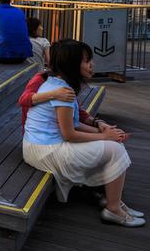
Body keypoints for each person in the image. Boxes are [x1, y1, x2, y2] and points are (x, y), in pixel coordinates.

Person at [22, 40, 142, 226]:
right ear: (71, 64)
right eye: (86, 61)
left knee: (112, 145)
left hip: (40, 146)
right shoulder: (63, 92)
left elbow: (74, 123)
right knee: (115, 150)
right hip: (45, 149)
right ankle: (113, 210)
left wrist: (104, 130)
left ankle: (113, 201)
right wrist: (104, 136)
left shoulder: (59, 85)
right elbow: (69, 134)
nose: (91, 64)